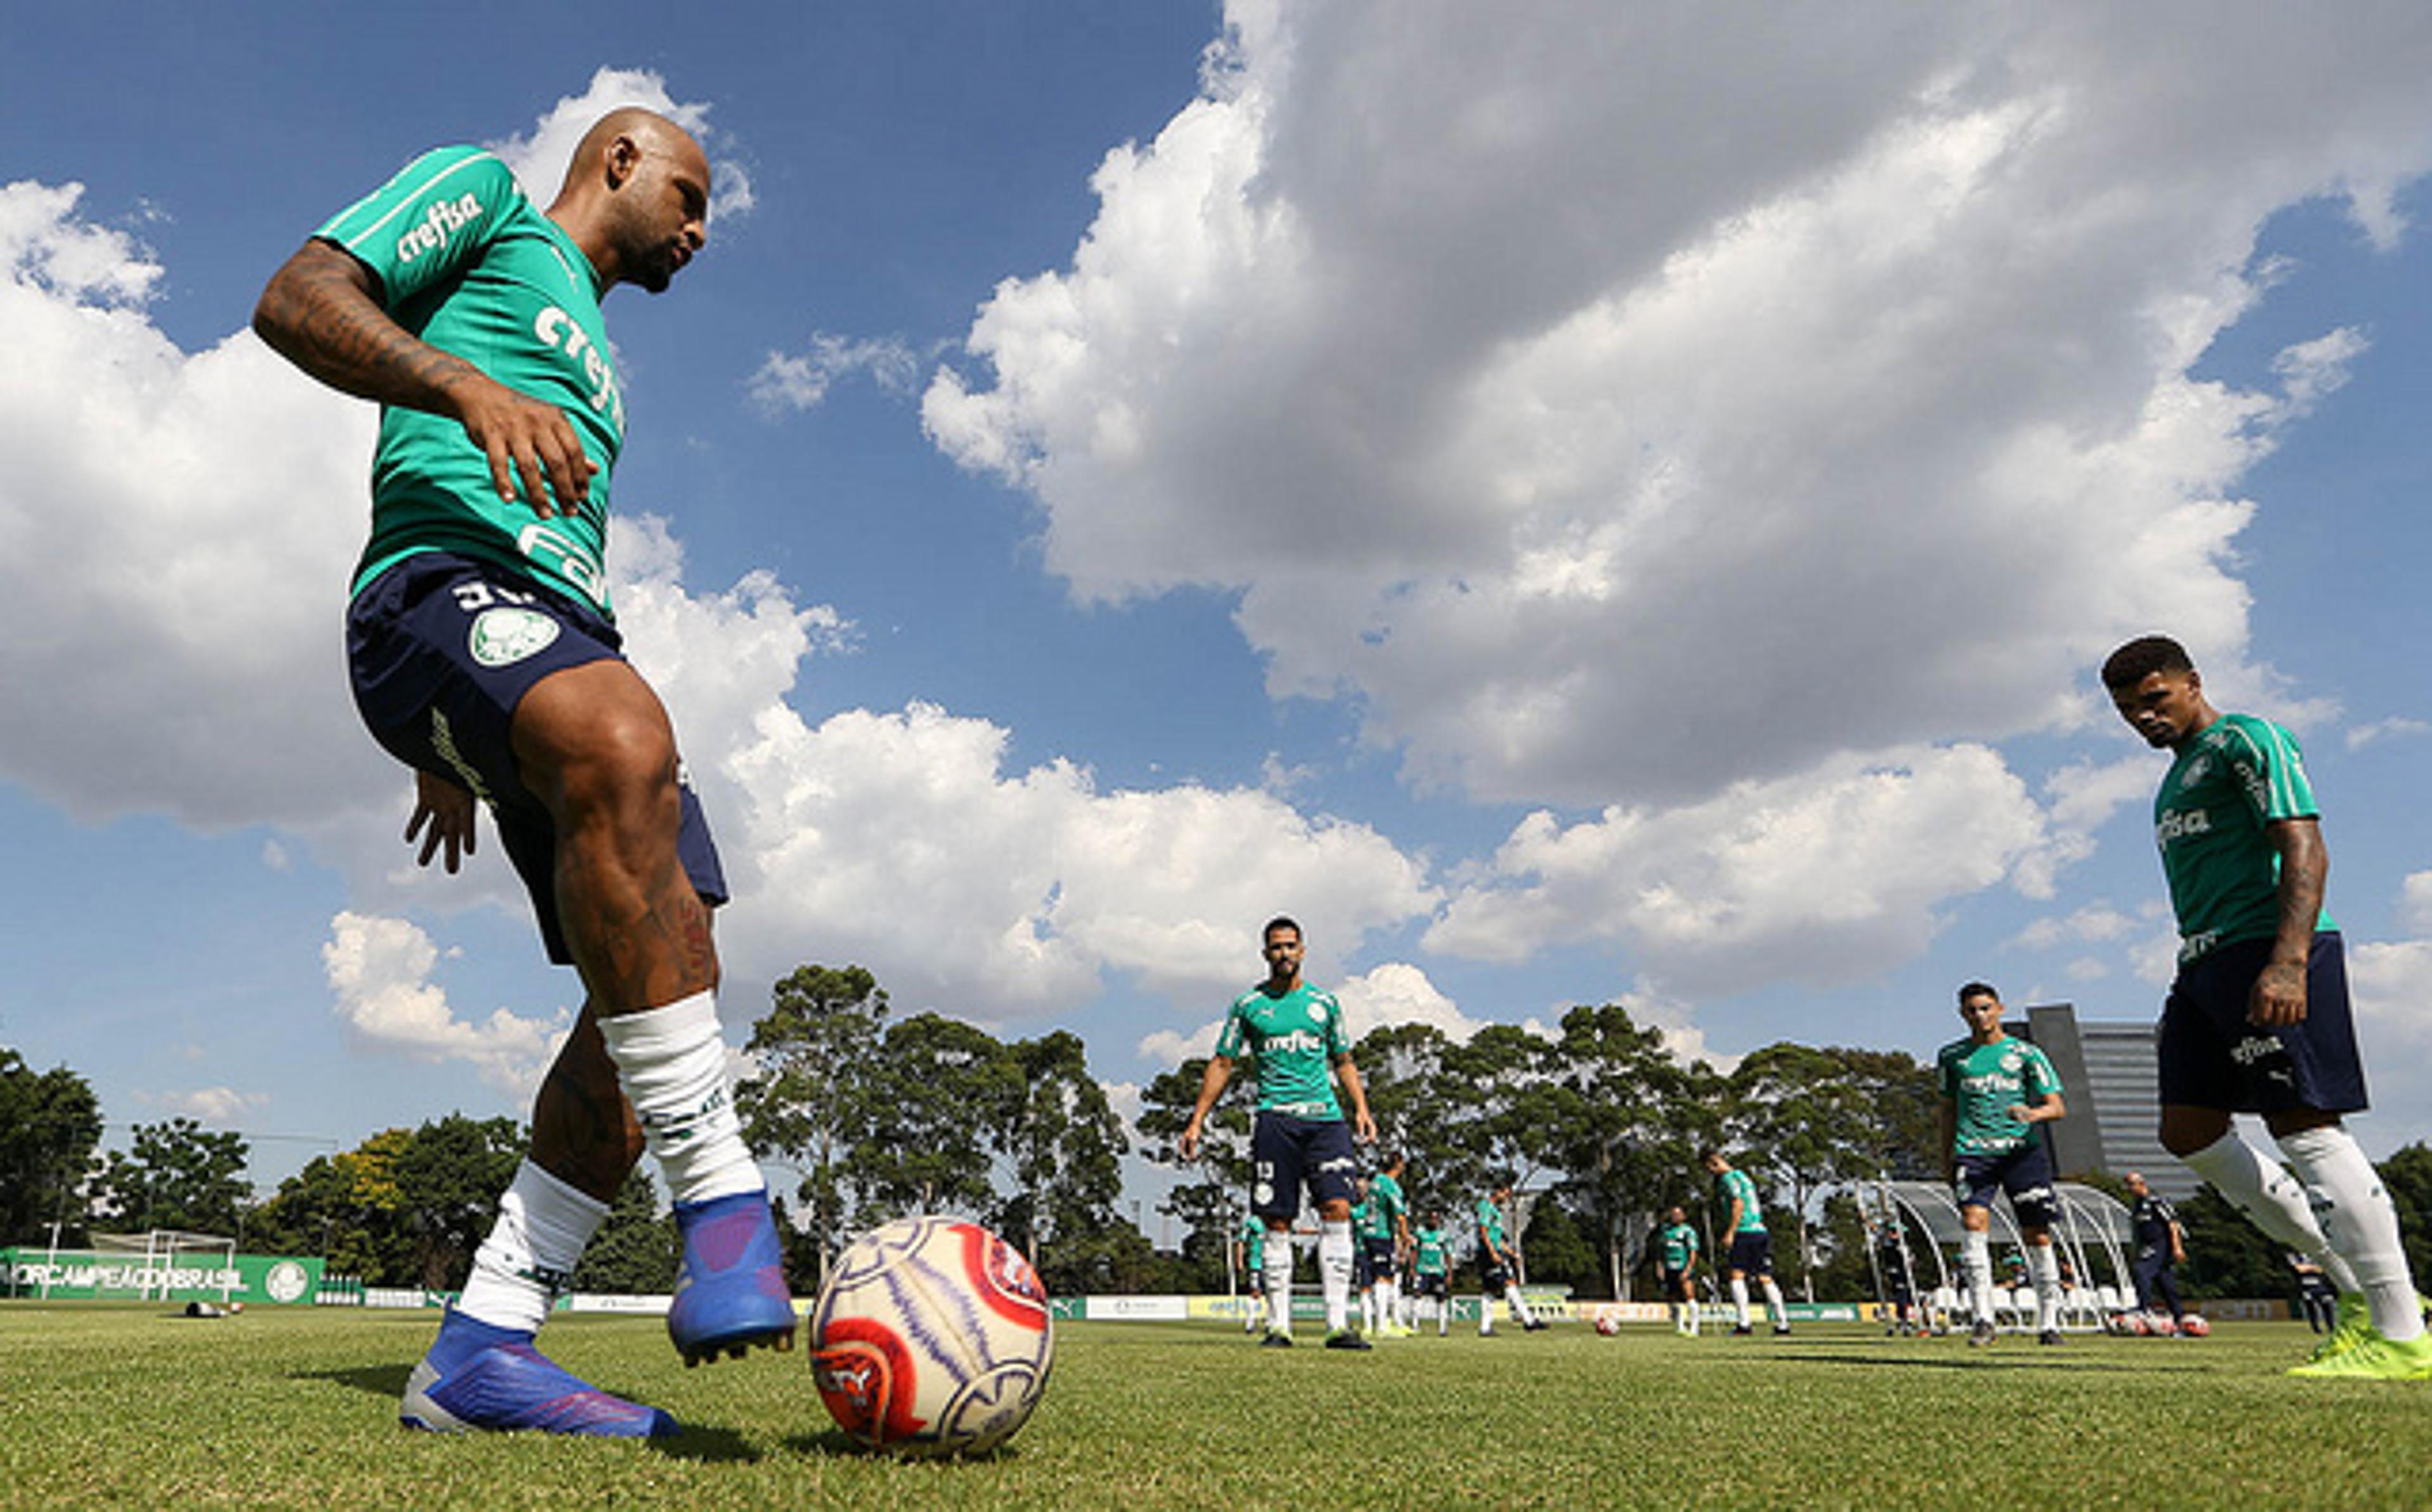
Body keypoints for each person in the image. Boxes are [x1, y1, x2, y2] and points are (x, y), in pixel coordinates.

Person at [255, 110, 794, 1437]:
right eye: (692, 191)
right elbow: (295, 297)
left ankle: (482, 1348)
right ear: (619, 158)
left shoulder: (600, 357)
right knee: (627, 738)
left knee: (666, 978)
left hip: (538, 656)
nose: (702, 226)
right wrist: (462, 385)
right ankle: (723, 1194)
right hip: (433, 598)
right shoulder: (483, 198)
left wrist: (483, 751)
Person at [2102, 636, 2429, 1379]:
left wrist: (2287, 961)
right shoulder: (2177, 777)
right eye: (2127, 711)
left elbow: (2305, 844)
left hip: (2267, 950)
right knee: (2188, 1131)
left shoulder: (2246, 739)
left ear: (2192, 683)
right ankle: (2349, 1291)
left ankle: (2404, 1331)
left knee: (2305, 1127)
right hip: (2204, 965)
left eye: (2155, 700)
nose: (2143, 719)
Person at [1179, 917, 1380, 1350]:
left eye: (1291, 946)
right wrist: (1197, 1120)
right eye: (1276, 947)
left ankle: (1337, 1325)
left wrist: (1361, 1108)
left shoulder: (1324, 1004)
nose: (1284, 954)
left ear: (1303, 951)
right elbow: (1222, 1063)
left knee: (1338, 1210)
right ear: (1265, 953)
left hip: (1326, 1120)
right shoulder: (1248, 1005)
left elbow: (1343, 1060)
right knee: (1276, 1220)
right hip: (1276, 1121)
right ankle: (1279, 1326)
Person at [1937, 981, 2068, 1347]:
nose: (1980, 1016)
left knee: (2038, 1234)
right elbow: (1947, 1111)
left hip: (2021, 1154)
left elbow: (2057, 1107)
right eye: (1972, 1010)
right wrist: (1945, 1156)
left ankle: (2049, 1322)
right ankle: (1983, 1319)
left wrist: (2032, 1113)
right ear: (1963, 1014)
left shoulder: (2026, 1054)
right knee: (1973, 1223)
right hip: (1973, 1152)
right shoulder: (1952, 1057)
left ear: (2000, 1009)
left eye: (1986, 1008)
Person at [1701, 1150, 1789, 1337]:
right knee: (1765, 1277)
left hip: (1743, 1231)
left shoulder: (1728, 1179)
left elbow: (1738, 1203)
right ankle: (1783, 1323)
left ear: (1714, 1164)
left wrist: (1730, 1232)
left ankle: (1744, 1324)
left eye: (1710, 1169)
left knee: (1737, 1275)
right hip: (1760, 1230)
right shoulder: (1743, 1176)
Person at [1472, 1180, 1546, 1335]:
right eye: (1506, 1194)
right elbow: (1483, 1231)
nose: (1507, 1198)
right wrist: (1493, 1252)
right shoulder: (1486, 1207)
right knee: (1509, 1282)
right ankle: (1529, 1321)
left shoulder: (1496, 1211)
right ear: (1498, 1191)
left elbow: (1497, 1238)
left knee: (1490, 1290)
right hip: (1488, 1252)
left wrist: (1513, 1254)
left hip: (1491, 1251)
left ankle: (1485, 1328)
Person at [2123, 1171, 2189, 1330]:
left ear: (2141, 1183)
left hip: (2160, 1245)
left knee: (2141, 1271)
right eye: (2127, 1185)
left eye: (2131, 1185)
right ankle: (2179, 1315)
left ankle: (2143, 1309)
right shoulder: (2137, 1206)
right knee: (2165, 1283)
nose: (2129, 1189)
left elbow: (2172, 1223)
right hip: (2147, 1246)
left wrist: (2177, 1247)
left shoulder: (2156, 1201)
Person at [1364, 1152, 1415, 1335]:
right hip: (1381, 1235)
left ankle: (1387, 1322)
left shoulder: (1375, 1181)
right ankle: (1381, 1326)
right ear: (1398, 1165)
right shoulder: (1390, 1185)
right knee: (1383, 1279)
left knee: (1385, 1278)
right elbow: (1400, 1216)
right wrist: (1406, 1237)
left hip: (1368, 1234)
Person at [1651, 1205, 1701, 1337]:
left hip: (1682, 1267)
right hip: (1669, 1268)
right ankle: (1680, 1326)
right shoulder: (1665, 1231)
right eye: (1673, 1214)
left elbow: (1693, 1252)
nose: (1675, 1216)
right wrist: (1659, 1267)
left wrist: (1688, 1269)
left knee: (1689, 1295)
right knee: (1672, 1298)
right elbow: (1660, 1251)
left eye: (1679, 1214)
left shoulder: (1688, 1231)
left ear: (1684, 1216)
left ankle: (1694, 1328)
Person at [1871, 1216, 1918, 1337]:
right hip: (1896, 1274)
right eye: (1892, 1232)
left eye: (1895, 1232)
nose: (1893, 1234)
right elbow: (1877, 1233)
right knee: (1901, 1297)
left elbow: (1911, 1260)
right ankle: (1903, 1321)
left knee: (1908, 1299)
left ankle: (1906, 1321)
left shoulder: (1904, 1246)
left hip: (1906, 1274)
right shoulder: (1889, 1244)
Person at [1411, 1212, 1454, 1336]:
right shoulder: (1420, 1233)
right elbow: (1414, 1251)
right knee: (1418, 1294)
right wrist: (1412, 1268)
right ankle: (1415, 1325)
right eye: (1431, 1219)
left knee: (1441, 1298)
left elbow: (1448, 1255)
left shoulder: (1443, 1235)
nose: (1433, 1221)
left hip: (1438, 1272)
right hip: (1422, 1270)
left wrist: (1449, 1273)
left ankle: (1443, 1328)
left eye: (1436, 1219)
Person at [1232, 1211, 1270, 1335]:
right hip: (1257, 1264)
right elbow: (1241, 1241)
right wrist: (1239, 1260)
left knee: (1272, 1294)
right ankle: (1250, 1325)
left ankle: (1271, 1324)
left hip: (1272, 1263)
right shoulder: (1253, 1222)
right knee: (1255, 1293)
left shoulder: (1273, 1220)